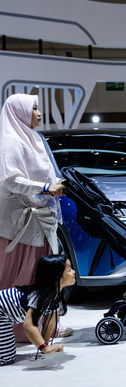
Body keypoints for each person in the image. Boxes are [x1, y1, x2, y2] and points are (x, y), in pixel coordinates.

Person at [0, 93, 71, 340]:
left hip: (40, 219)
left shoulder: (34, 138)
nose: (39, 113)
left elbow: (40, 175)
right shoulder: (11, 140)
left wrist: (53, 183)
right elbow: (11, 180)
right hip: (19, 224)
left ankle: (46, 327)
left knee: (41, 276)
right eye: (34, 108)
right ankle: (12, 330)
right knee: (20, 276)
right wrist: (45, 188)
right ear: (18, 112)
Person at [0, 254, 75, 365]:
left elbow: (49, 323)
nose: (73, 272)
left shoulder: (55, 296)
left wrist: (45, 345)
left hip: (5, 316)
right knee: (6, 358)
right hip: (2, 313)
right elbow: (28, 325)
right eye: (69, 269)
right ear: (56, 276)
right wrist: (44, 348)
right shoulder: (39, 296)